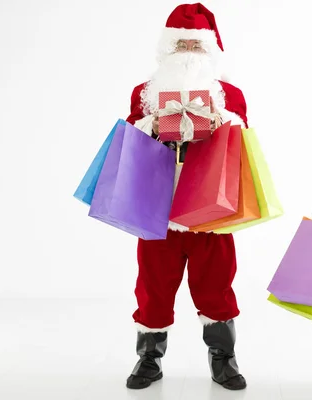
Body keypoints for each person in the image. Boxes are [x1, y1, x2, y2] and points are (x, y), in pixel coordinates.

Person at [123, 3, 249, 391]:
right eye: (180, 44)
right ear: (167, 49)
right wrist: (151, 125)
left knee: (216, 283)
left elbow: (245, 143)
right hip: (159, 210)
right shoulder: (144, 94)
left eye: (195, 46)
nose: (188, 54)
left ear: (209, 51)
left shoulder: (229, 94)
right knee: (154, 285)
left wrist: (219, 121)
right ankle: (149, 358)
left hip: (211, 210)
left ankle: (222, 359)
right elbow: (129, 144)